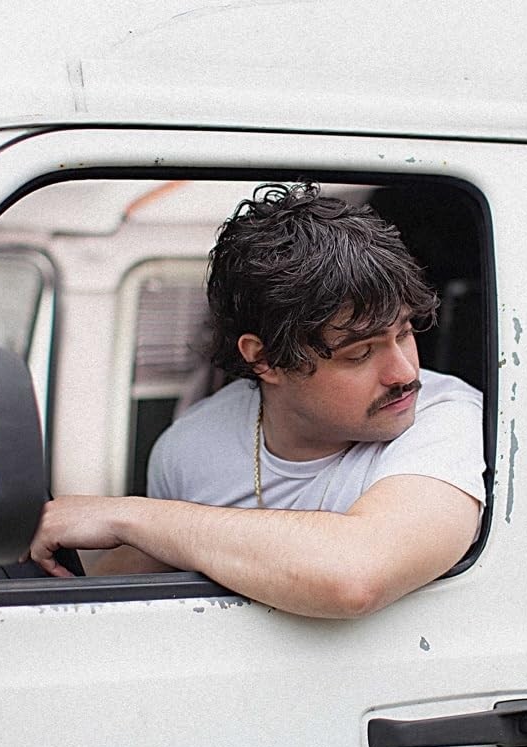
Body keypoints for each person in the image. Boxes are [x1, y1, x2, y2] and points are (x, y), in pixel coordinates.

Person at [28, 182, 485, 618]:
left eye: (404, 333)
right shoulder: (190, 446)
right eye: (360, 354)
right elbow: (150, 572)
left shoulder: (446, 418)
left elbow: (356, 577)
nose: (405, 373)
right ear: (265, 359)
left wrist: (124, 515)